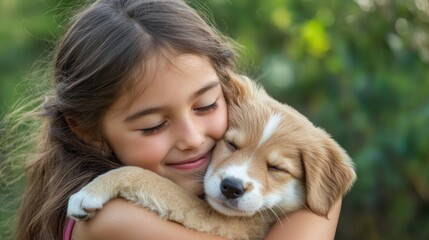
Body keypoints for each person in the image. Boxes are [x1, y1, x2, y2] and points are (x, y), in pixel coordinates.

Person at [14, 0, 343, 239]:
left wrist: (321, 169)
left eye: (206, 105)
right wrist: (327, 198)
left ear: (225, 91)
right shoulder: (109, 217)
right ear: (87, 131)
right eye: (153, 125)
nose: (193, 138)